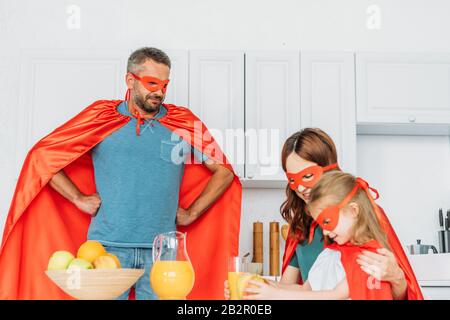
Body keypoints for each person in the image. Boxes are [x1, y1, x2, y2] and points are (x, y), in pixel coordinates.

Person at [0, 47, 242, 300]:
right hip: (106, 249)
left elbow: (223, 172)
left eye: (165, 85)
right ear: (130, 80)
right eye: (152, 83)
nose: (159, 92)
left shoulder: (183, 122)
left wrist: (192, 212)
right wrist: (78, 198)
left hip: (163, 252)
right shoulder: (101, 118)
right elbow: (42, 157)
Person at [224, 128, 422, 299]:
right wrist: (253, 287)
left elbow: (390, 292)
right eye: (293, 180)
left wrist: (396, 277)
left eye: (308, 176)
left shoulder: (366, 220)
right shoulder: (302, 226)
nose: (300, 188)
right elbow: (299, 288)